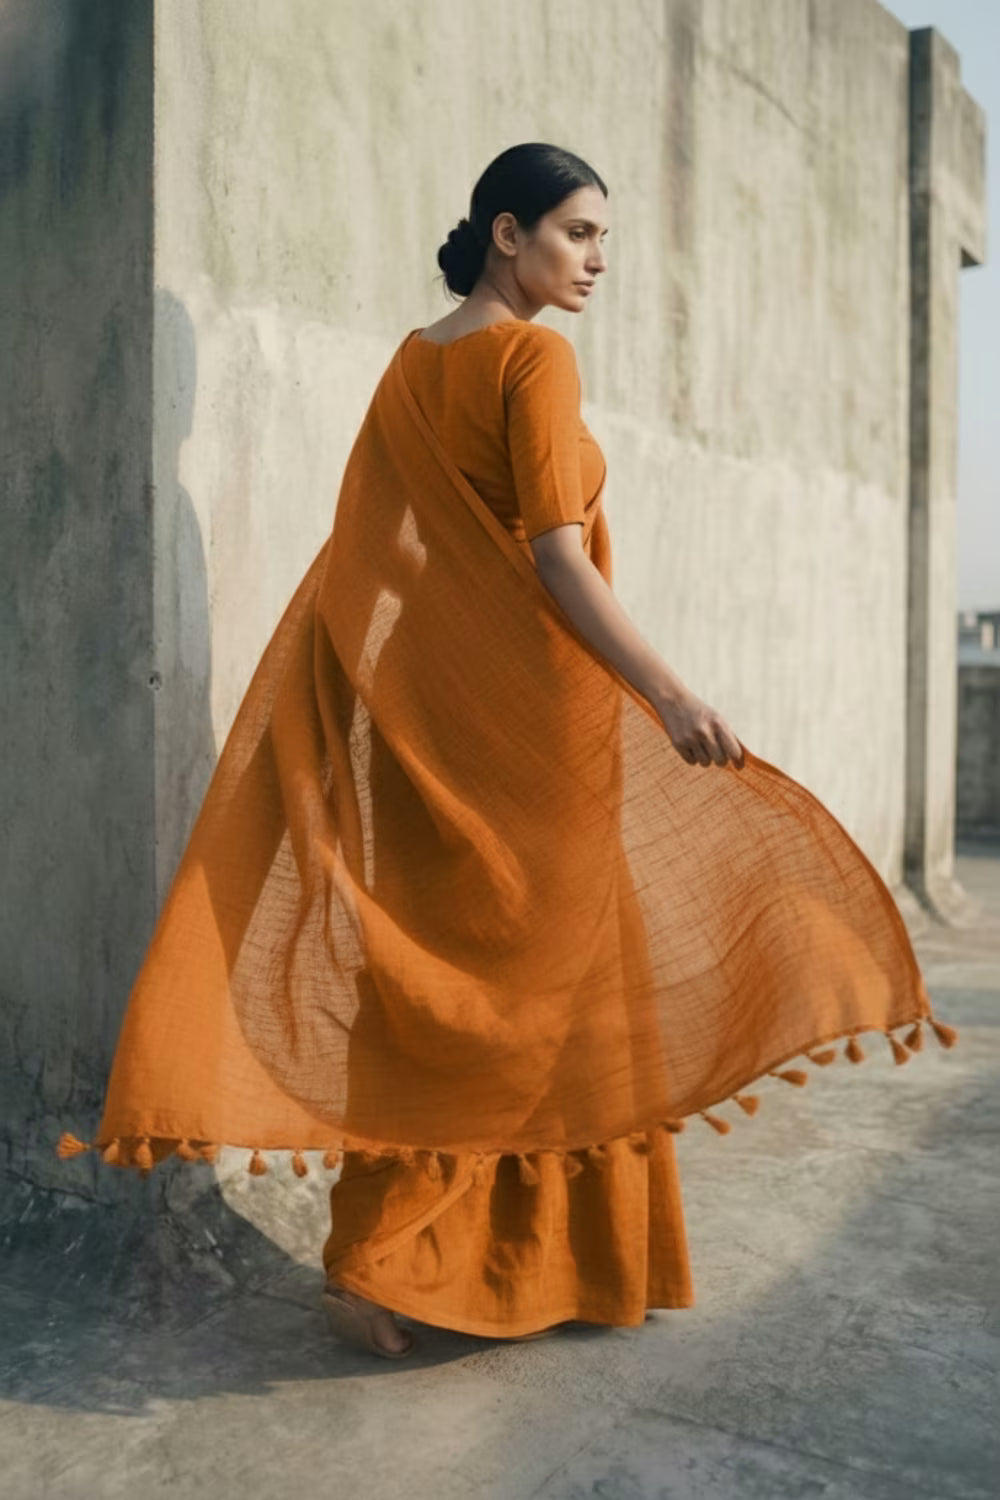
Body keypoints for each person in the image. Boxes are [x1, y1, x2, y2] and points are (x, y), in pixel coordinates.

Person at [56, 143, 957, 1361]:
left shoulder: (412, 362)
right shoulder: (534, 358)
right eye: (577, 234)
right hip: (535, 726)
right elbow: (553, 555)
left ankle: (389, 1259)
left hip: (435, 722)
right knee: (547, 995)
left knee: (451, 997)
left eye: (602, 241)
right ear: (504, 233)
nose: (595, 262)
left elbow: (386, 567)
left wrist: (416, 700)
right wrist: (670, 693)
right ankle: (440, 1262)